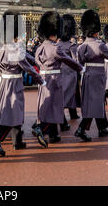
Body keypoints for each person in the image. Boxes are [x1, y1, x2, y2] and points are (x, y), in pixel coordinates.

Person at [0, 10, 45, 157]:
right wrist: (40, 80)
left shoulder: (2, 48)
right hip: (14, 82)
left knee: (12, 111)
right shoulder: (15, 48)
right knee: (13, 111)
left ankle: (17, 142)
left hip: (4, 81)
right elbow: (26, 66)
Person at [34, 11, 83, 145]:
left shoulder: (40, 48)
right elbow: (68, 60)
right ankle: (41, 128)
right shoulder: (55, 48)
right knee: (56, 106)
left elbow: (37, 62)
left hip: (43, 79)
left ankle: (54, 135)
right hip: (55, 79)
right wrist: (80, 68)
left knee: (48, 106)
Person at [74, 10, 108, 142]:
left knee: (94, 101)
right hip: (98, 76)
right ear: (96, 30)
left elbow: (80, 62)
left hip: (87, 75)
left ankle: (102, 127)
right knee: (95, 103)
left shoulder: (81, 46)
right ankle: (81, 129)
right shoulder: (100, 45)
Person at [58, 14, 80, 124]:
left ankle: (73, 113)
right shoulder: (71, 46)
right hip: (70, 73)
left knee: (66, 94)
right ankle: (61, 120)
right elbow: (76, 61)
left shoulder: (57, 45)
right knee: (67, 95)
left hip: (60, 71)